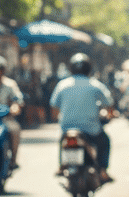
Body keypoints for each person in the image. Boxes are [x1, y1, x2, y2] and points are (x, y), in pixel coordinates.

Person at [49, 53, 115, 183]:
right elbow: (109, 105)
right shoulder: (95, 85)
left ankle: (62, 165)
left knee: (63, 141)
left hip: (67, 128)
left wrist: (60, 118)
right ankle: (103, 171)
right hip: (91, 130)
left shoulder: (62, 85)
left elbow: (54, 109)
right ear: (89, 68)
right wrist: (109, 115)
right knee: (104, 142)